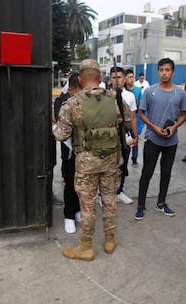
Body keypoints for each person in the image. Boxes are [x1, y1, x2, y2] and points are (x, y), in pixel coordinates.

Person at [53, 59, 131, 261]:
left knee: (87, 205)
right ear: (99, 78)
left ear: (80, 79)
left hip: (86, 163)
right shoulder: (115, 98)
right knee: (109, 200)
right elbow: (126, 122)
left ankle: (86, 247)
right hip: (112, 160)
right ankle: (110, 239)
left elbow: (61, 135)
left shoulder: (72, 103)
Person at [134, 58, 186, 220]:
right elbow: (141, 113)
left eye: (168, 70)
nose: (164, 73)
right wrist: (154, 127)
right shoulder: (149, 91)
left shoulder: (180, 93)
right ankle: (141, 205)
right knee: (147, 172)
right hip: (152, 138)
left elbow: (184, 114)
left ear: (173, 72)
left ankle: (161, 203)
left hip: (171, 141)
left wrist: (174, 127)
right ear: (158, 72)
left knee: (166, 173)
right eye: (161, 70)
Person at [54, 73, 83, 234]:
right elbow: (64, 124)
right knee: (70, 183)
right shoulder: (61, 101)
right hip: (70, 151)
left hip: (84, 151)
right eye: (79, 90)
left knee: (82, 184)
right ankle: (69, 215)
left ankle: (78, 210)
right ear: (71, 90)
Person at [110, 66, 138, 205]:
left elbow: (133, 117)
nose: (117, 80)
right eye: (114, 77)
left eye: (119, 77)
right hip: (108, 138)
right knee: (108, 167)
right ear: (110, 80)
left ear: (124, 79)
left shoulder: (130, 96)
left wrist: (135, 136)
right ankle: (106, 195)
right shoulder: (104, 95)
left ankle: (119, 191)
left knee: (123, 165)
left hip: (125, 136)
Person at [125, 69, 144, 166]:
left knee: (135, 138)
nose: (131, 79)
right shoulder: (123, 91)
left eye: (132, 77)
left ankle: (134, 157)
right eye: (129, 77)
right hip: (125, 120)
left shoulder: (138, 90)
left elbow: (141, 105)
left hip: (135, 117)